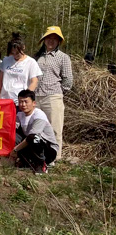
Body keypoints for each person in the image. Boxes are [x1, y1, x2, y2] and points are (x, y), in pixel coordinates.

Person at [34, 26, 73, 161]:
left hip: (53, 96)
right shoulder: (37, 56)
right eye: (48, 38)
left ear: (59, 41)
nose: (51, 41)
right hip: (36, 96)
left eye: (54, 39)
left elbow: (68, 79)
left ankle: (55, 157)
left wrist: (60, 91)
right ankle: (38, 155)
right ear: (44, 40)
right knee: (37, 127)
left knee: (55, 128)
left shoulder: (63, 57)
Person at [10, 90, 58, 174]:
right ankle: (26, 161)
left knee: (34, 138)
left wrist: (15, 150)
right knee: (12, 135)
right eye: (21, 102)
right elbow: (12, 129)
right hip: (31, 146)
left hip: (48, 150)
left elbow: (31, 137)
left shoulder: (39, 115)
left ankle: (41, 164)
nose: (23, 105)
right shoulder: (19, 115)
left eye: (26, 102)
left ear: (33, 103)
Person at [0, 33, 42, 106]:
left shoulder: (31, 62)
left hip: (20, 102)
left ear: (23, 47)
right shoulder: (6, 60)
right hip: (4, 100)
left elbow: (34, 81)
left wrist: (26, 97)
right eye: (12, 53)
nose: (15, 55)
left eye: (17, 53)